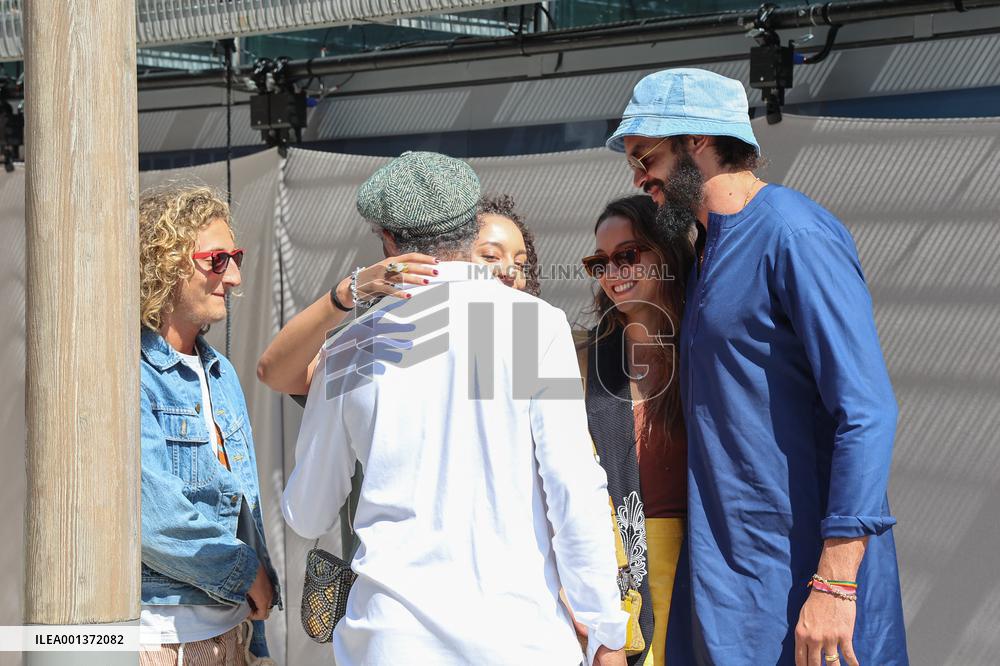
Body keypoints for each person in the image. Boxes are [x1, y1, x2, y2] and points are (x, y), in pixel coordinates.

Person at [606, 68, 907, 665]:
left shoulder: (793, 233)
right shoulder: (706, 247)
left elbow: (867, 412)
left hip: (803, 586)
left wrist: (836, 583)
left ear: (696, 142)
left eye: (646, 156)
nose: (640, 179)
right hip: (728, 585)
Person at [280, 151, 628, 666]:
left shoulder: (347, 347)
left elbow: (306, 514)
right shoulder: (534, 326)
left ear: (389, 242)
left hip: (389, 639)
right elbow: (573, 486)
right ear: (471, 230)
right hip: (518, 638)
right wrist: (605, 629)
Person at [138, 183, 281, 665]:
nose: (235, 276)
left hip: (231, 634)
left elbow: (242, 505)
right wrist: (245, 571)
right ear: (166, 262)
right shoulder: (127, 371)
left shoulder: (220, 371)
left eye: (235, 258)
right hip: (160, 641)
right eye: (218, 259)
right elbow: (152, 519)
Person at [256, 193, 539, 396]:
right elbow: (277, 374)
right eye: (490, 256)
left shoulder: (537, 341)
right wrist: (344, 294)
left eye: (520, 263)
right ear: (447, 256)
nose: (509, 271)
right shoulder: (392, 338)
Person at [577, 194, 696, 666]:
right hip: (616, 579)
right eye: (599, 262)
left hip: (702, 571)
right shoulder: (579, 359)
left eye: (628, 255)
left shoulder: (706, 351)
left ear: (666, 254)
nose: (613, 272)